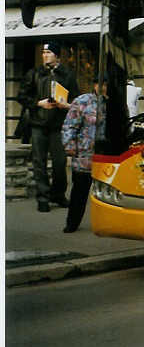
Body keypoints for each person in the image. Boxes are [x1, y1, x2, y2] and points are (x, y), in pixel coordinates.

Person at [20, 42, 80, 212]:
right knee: (39, 163)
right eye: (43, 52)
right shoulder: (34, 73)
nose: (45, 55)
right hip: (38, 124)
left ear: (57, 55)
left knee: (60, 163)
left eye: (48, 52)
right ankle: (43, 198)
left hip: (58, 126)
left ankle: (58, 194)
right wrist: (39, 103)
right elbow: (22, 97)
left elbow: (76, 100)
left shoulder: (67, 75)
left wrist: (65, 105)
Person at [61, 77, 105, 233]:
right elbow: (69, 125)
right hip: (84, 154)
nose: (104, 87)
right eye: (101, 84)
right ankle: (72, 223)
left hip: (106, 155)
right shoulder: (83, 101)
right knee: (79, 190)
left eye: (106, 84)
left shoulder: (115, 103)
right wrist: (69, 145)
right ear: (95, 85)